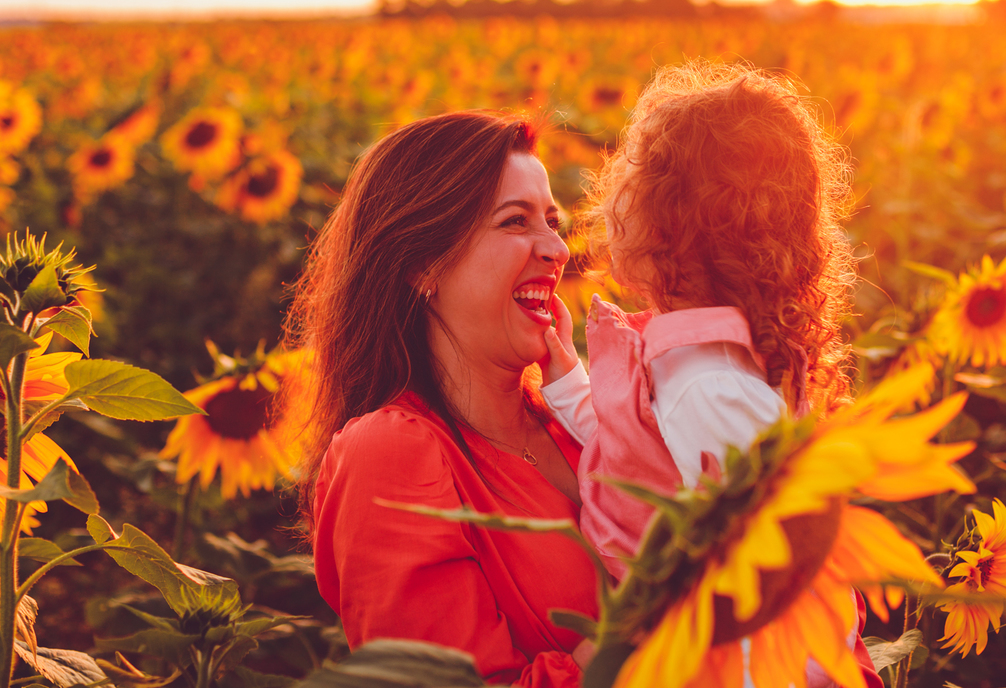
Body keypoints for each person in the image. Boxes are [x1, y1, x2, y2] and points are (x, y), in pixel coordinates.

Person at [537, 62, 882, 686]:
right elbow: (641, 457)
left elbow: (764, 580)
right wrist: (565, 377)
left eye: (629, 180)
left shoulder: (711, 385)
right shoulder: (709, 363)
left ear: (667, 223)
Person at [285, 111, 598, 688]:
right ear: (421, 262)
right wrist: (641, 627)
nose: (557, 248)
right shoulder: (391, 452)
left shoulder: (572, 415)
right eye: (515, 222)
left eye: (553, 221)